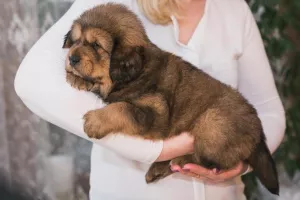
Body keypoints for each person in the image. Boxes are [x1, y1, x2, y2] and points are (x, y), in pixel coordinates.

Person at [14, 0, 286, 199]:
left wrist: (241, 160)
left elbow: (268, 110)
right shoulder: (110, 8)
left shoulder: (233, 9)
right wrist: (161, 150)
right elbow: (30, 80)